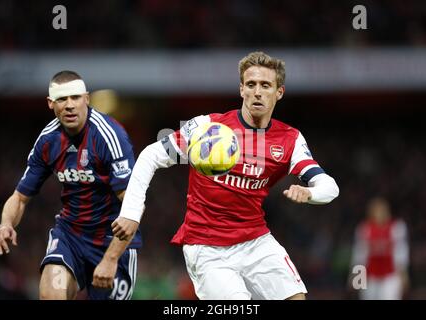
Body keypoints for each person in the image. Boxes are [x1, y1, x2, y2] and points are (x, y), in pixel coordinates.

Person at [112, 52, 339, 300]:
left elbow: (329, 186)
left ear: (279, 92)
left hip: (256, 240)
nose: (258, 92)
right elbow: (150, 155)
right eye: (251, 85)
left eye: (266, 85)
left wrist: (310, 193)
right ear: (242, 89)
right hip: (207, 247)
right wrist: (131, 213)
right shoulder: (207, 128)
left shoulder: (290, 139)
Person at [0, 71, 142, 300]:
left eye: (75, 97)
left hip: (111, 240)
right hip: (70, 235)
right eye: (62, 99)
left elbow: (134, 204)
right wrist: (5, 223)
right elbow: (20, 197)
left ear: (87, 98)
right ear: (50, 103)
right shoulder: (48, 140)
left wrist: (111, 258)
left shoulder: (110, 136)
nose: (69, 105)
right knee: (50, 294)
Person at [350, 197, 409, 300]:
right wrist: (356, 277)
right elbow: (359, 255)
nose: (379, 213)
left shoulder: (396, 227)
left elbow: (401, 253)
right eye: (376, 210)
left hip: (390, 275)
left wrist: (403, 275)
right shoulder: (364, 228)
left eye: (382, 210)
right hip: (370, 276)